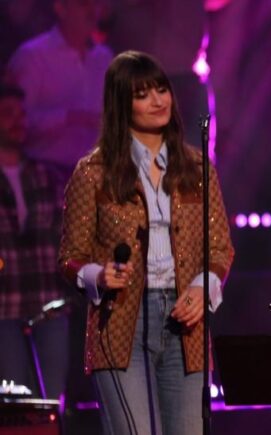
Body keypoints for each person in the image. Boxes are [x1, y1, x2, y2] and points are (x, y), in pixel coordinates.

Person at [57, 50, 234, 435]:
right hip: (121, 323)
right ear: (122, 103)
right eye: (143, 94)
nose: (158, 101)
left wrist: (201, 289)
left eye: (161, 89)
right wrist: (99, 275)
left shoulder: (198, 168)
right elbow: (71, 256)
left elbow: (220, 247)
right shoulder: (93, 172)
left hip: (185, 325)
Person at [0, 84, 70, 400]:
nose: (19, 121)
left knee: (52, 399)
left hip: (49, 303)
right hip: (4, 307)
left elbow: (67, 235)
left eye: (22, 114)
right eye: (8, 114)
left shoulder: (46, 176)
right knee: (13, 404)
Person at [6, 0, 112, 170]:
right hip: (43, 173)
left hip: (95, 174)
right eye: (84, 4)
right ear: (60, 8)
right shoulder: (33, 56)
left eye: (96, 4)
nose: (93, 11)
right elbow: (14, 121)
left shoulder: (104, 58)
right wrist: (70, 118)